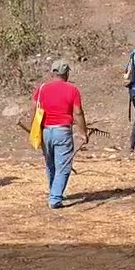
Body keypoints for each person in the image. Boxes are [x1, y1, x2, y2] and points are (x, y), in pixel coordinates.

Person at [23, 59, 89, 208]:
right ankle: (55, 198)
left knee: (51, 164)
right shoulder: (72, 89)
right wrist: (82, 132)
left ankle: (54, 191)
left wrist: (33, 128)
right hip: (62, 131)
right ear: (66, 73)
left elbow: (33, 108)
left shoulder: (41, 89)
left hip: (46, 131)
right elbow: (78, 113)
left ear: (52, 73)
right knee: (64, 166)